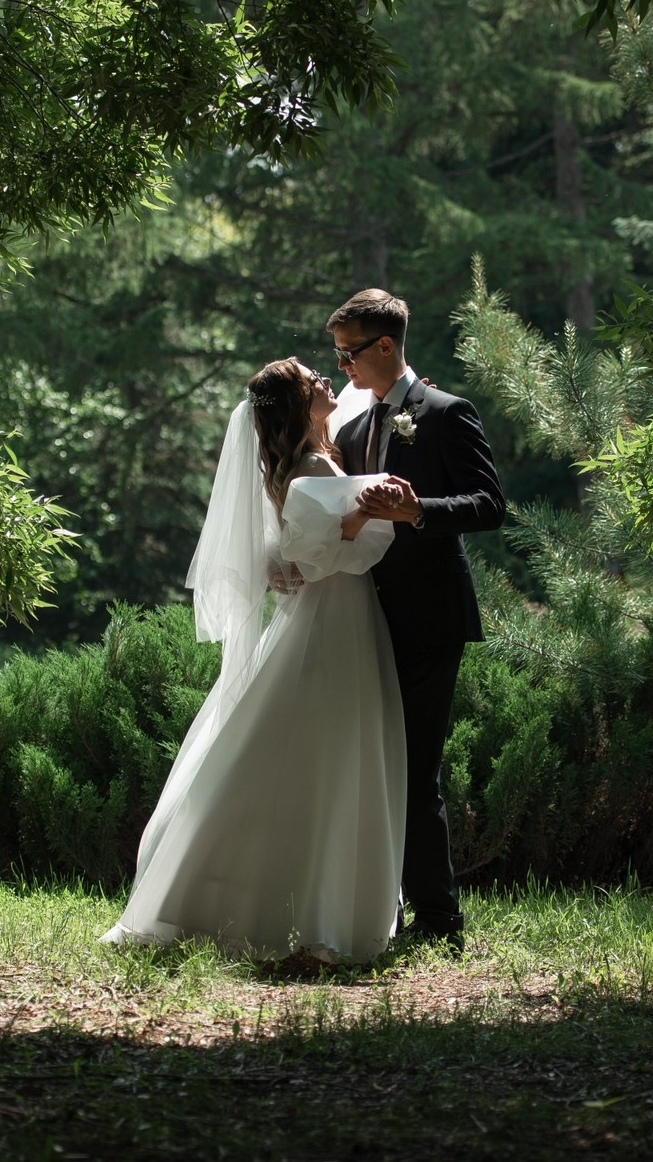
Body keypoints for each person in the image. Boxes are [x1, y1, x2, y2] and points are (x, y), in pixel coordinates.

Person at [101, 359, 407, 960]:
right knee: (324, 748)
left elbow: (285, 553)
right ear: (296, 406)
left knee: (308, 744)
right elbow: (312, 554)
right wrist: (365, 512)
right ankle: (303, 906)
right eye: (312, 380)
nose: (326, 381)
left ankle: (289, 894)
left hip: (338, 610)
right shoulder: (311, 466)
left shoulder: (314, 455)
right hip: (332, 613)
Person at [330, 289, 506, 948]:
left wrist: (419, 511)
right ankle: (382, 907)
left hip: (430, 615)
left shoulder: (444, 412)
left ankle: (439, 921)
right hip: (362, 618)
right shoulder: (349, 431)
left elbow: (490, 504)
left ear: (385, 346)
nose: (343, 367)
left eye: (350, 354)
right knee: (373, 766)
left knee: (413, 769)